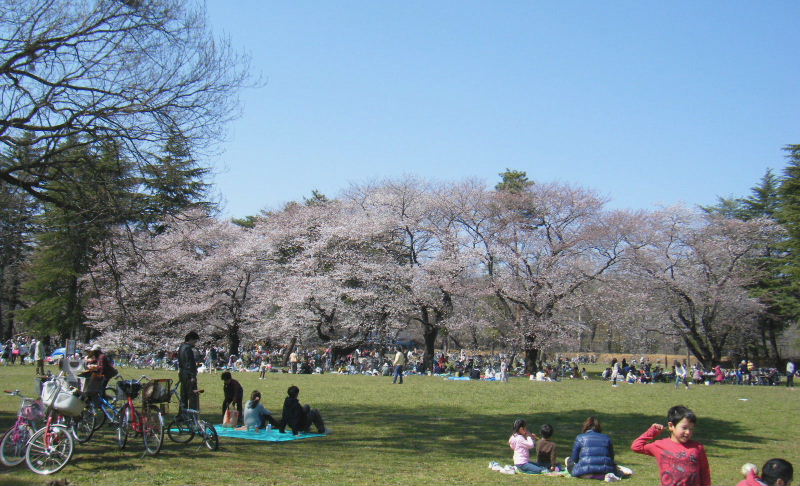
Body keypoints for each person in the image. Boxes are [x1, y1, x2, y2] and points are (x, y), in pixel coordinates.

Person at [631, 405, 711, 486]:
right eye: (684, 428)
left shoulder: (697, 447)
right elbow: (636, 446)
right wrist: (652, 432)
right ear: (671, 426)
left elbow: (704, 472)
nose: (688, 432)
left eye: (691, 429)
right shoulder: (660, 445)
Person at [567, 416, 622, 481]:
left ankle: (592, 476)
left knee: (568, 460)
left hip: (584, 471)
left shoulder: (580, 437)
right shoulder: (607, 438)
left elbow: (575, 459)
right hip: (605, 470)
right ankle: (600, 476)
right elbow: (611, 457)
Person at [177, 331, 200, 412]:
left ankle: (182, 414)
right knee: (193, 395)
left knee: (183, 396)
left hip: (182, 373)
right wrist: (193, 375)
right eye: (195, 341)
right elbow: (189, 363)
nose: (195, 343)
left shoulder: (181, 347)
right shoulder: (188, 349)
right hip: (189, 375)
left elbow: (180, 362)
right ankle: (193, 415)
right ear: (190, 339)